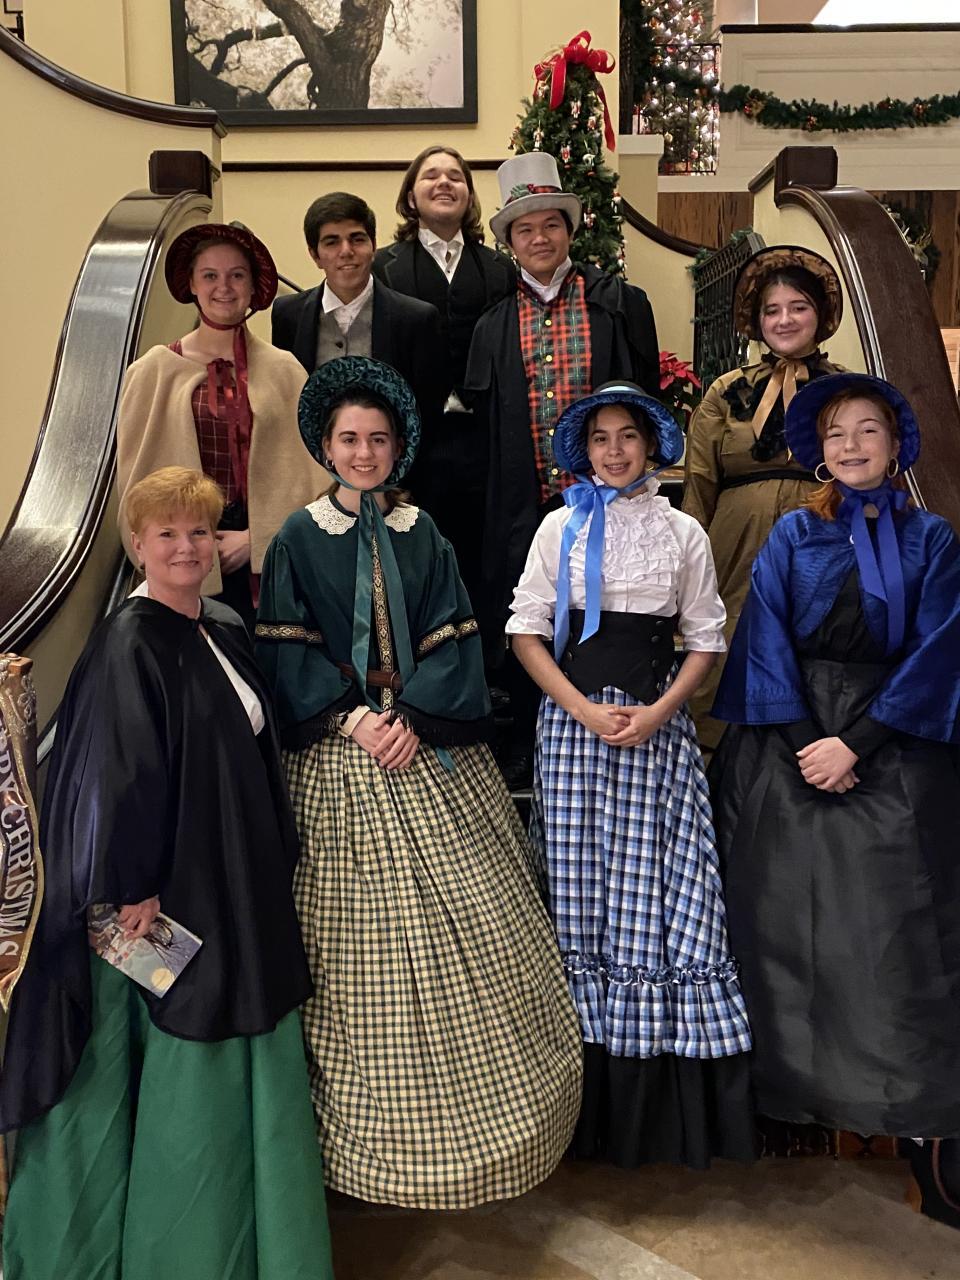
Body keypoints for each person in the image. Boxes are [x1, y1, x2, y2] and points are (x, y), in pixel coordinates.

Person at [255, 356, 582, 1209]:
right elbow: (286, 646)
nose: (363, 453)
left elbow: (454, 631)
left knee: (479, 920)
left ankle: (495, 1126)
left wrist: (411, 716)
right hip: (341, 749)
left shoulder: (423, 531)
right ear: (326, 446)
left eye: (378, 439)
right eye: (349, 439)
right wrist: (352, 719)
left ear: (397, 447)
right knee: (351, 942)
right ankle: (366, 1147)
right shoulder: (296, 538)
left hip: (421, 743)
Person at [0, 467, 333, 1280]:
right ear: (137, 544)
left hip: (236, 876)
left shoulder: (221, 625)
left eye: (200, 532)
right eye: (167, 534)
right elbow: (118, 773)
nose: (187, 548)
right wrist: (134, 885)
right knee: (177, 1049)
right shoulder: (129, 640)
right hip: (169, 894)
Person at [507, 381, 754, 1168]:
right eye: (600, 438)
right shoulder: (559, 527)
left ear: (650, 445)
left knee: (660, 890)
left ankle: (656, 1108)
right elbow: (526, 632)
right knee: (580, 891)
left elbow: (705, 638)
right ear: (584, 450)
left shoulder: (682, 531)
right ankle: (578, 1106)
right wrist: (582, 709)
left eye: (627, 436)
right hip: (575, 729)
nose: (614, 451)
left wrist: (659, 713)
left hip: (655, 730)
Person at [711, 373, 960, 1140]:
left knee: (895, 923)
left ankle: (900, 1107)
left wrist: (856, 744)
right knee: (777, 914)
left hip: (893, 736)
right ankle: (785, 1093)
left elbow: (939, 650)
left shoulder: (932, 538)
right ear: (819, 450)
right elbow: (764, 640)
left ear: (896, 444)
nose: (852, 445)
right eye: (836, 433)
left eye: (868, 430)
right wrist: (807, 746)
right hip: (791, 736)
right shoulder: (793, 533)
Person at [464, 152, 660, 783]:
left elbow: (646, 401)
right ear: (509, 241)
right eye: (525, 229)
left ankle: (612, 729)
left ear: (569, 230)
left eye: (551, 224)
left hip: (607, 497)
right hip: (523, 506)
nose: (540, 238)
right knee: (530, 618)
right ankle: (530, 738)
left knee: (610, 614)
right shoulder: (492, 324)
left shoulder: (620, 305)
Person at [117, 222, 325, 630]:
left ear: (252, 285)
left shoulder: (285, 370)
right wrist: (191, 544)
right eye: (210, 275)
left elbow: (313, 478)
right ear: (192, 283)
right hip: (184, 556)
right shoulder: (153, 371)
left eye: (236, 275)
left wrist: (256, 538)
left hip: (269, 561)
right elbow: (136, 485)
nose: (224, 287)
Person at [682, 245, 846, 751]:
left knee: (809, 642)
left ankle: (803, 763)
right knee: (728, 640)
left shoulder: (844, 388)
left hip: (820, 537)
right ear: (756, 320)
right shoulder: (724, 391)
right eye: (772, 310)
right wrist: (689, 564)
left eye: (798, 307)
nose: (784, 320)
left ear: (820, 315)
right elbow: (699, 484)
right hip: (735, 544)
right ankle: (713, 763)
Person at [372, 145, 516, 606]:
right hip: (414, 444)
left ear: (469, 195)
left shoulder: (500, 268)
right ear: (410, 197)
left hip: (483, 441)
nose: (444, 183)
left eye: (456, 176)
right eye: (431, 175)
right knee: (415, 566)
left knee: (482, 564)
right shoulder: (382, 267)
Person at [271, 190, 445, 427]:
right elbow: (285, 400)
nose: (346, 251)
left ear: (373, 247)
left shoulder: (417, 319)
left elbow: (428, 413)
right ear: (315, 255)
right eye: (332, 242)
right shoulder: (287, 314)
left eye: (357, 239)